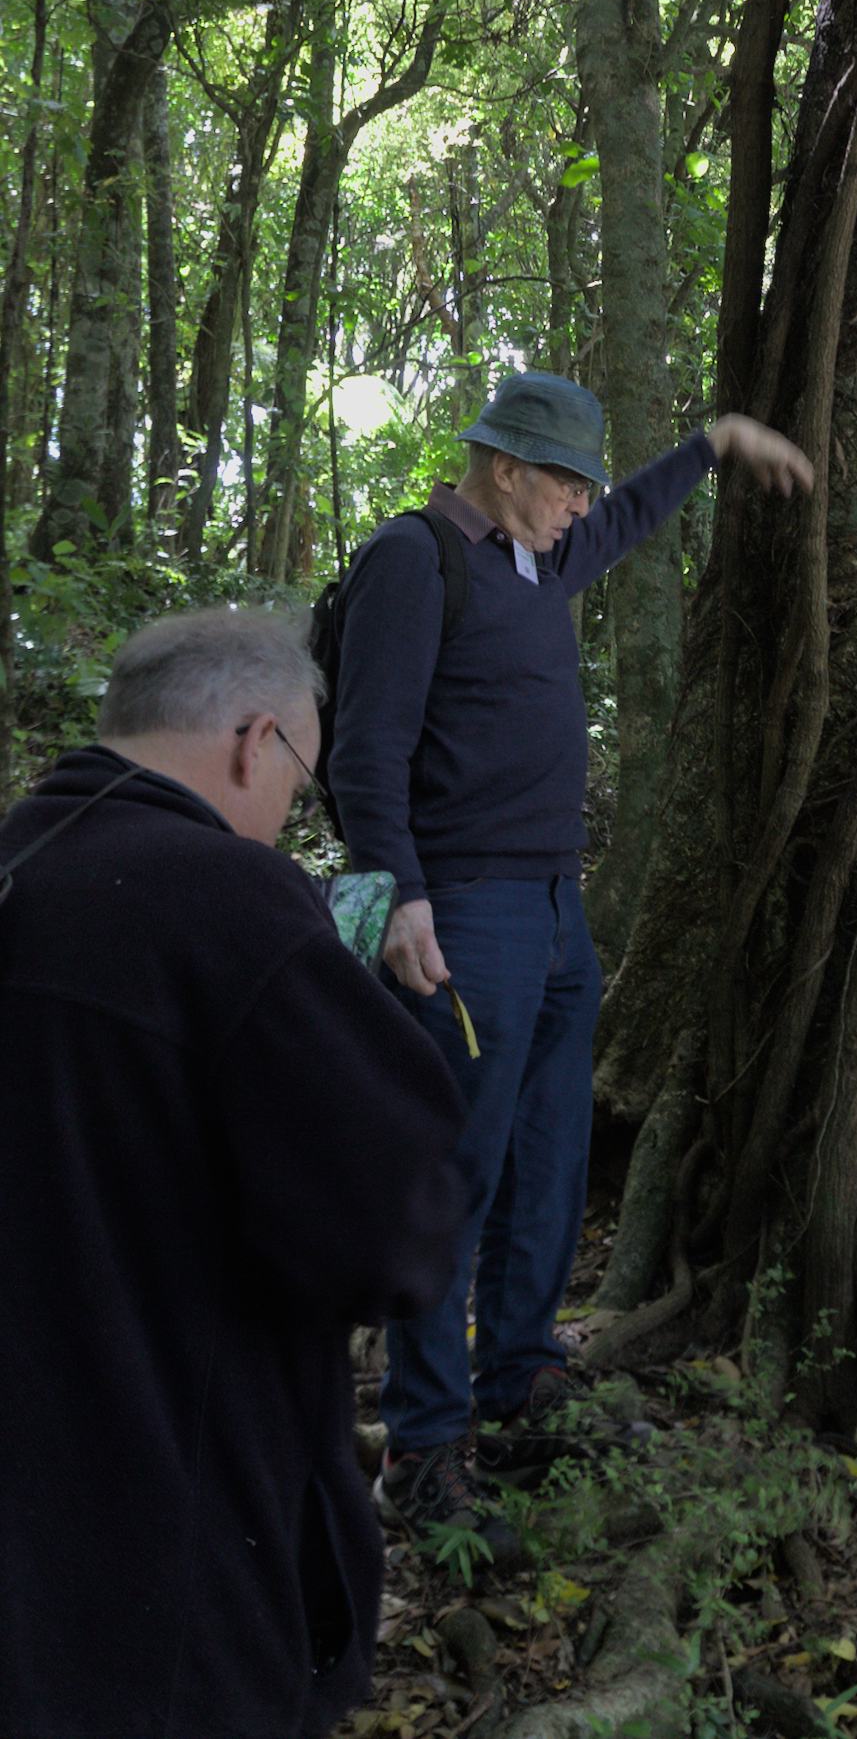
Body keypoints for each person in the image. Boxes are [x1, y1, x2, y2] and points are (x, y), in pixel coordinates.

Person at [327, 370, 811, 1543]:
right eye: (567, 485)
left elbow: (627, 523)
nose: (581, 507)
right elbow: (364, 748)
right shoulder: (415, 559)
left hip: (553, 913)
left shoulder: (535, 558)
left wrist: (710, 443)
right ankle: (429, 1444)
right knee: (458, 1170)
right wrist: (398, 898)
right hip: (462, 913)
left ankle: (523, 1380)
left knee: (548, 1161)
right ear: (506, 471)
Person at [0, 605, 466, 1739]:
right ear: (258, 741)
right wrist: (416, 1035)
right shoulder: (233, 904)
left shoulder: (19, 863)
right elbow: (396, 1225)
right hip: (173, 1544)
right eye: (298, 786)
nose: (285, 819)